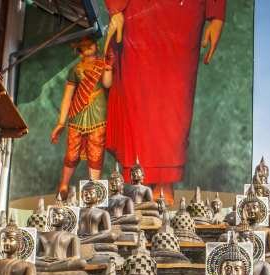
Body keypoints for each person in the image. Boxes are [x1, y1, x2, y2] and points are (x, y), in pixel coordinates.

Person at [103, 0, 226, 202]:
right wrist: (115, 8)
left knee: (176, 99)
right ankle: (139, 179)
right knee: (138, 94)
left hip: (183, 14)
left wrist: (217, 13)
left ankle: (164, 180)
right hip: (139, 12)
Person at [50, 37, 114, 199]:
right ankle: (64, 184)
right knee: (72, 152)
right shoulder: (75, 70)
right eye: (83, 47)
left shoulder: (101, 64)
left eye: (89, 45)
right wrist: (60, 123)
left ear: (96, 46)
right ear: (79, 51)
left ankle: (95, 187)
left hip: (98, 110)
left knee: (96, 149)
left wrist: (107, 69)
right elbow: (67, 97)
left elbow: (107, 85)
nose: (87, 48)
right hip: (78, 111)